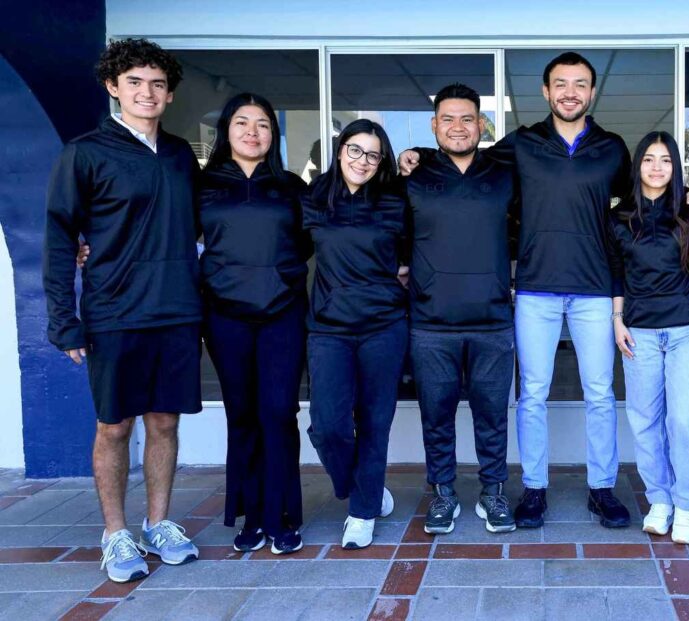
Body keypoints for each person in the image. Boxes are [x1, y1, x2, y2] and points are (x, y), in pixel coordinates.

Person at [401, 52, 689, 529]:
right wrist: (418, 155)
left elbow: (643, 196)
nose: (570, 92)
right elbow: (465, 154)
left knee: (600, 394)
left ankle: (601, 489)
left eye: (579, 84)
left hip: (593, 289)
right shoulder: (522, 143)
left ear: (592, 92)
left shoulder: (611, 148)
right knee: (533, 394)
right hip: (535, 290)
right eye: (560, 84)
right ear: (545, 92)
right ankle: (535, 489)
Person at [43, 38, 201, 583]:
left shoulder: (180, 154)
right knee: (114, 426)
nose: (146, 92)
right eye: (134, 82)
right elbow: (60, 237)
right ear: (113, 87)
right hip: (114, 310)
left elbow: (202, 222)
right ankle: (115, 533)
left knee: (164, 421)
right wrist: (64, 319)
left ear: (170, 93)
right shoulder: (84, 153)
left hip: (176, 309)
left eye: (157, 84)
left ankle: (158, 523)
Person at [403, 84, 518, 535]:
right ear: (434, 125)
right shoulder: (413, 176)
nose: (458, 127)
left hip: (493, 321)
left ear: (481, 124)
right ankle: (444, 494)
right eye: (448, 119)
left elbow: (529, 229)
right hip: (431, 323)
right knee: (437, 417)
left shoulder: (504, 174)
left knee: (493, 415)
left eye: (467, 118)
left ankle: (493, 492)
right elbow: (394, 233)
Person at [197, 93, 309, 554]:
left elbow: (312, 240)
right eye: (242, 122)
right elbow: (167, 233)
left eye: (262, 123)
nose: (252, 131)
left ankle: (282, 514)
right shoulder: (202, 185)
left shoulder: (291, 187)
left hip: (283, 312)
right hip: (225, 316)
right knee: (242, 414)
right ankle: (251, 513)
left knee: (279, 412)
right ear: (226, 130)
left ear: (273, 134)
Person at [303, 119, 407, 550]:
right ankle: (366, 486)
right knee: (328, 426)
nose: (362, 161)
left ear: (381, 161)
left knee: (374, 423)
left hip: (384, 326)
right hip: (329, 330)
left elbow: (419, 250)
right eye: (355, 150)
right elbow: (286, 251)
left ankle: (362, 512)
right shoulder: (312, 198)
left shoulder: (394, 201)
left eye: (373, 154)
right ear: (340, 149)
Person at [610, 132, 689, 544]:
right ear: (638, 166)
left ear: (676, 167)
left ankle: (686, 504)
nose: (656, 167)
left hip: (688, 328)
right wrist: (618, 320)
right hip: (640, 332)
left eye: (666, 160)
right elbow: (616, 272)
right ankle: (660, 500)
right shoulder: (619, 218)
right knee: (645, 420)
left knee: (683, 419)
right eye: (649, 159)